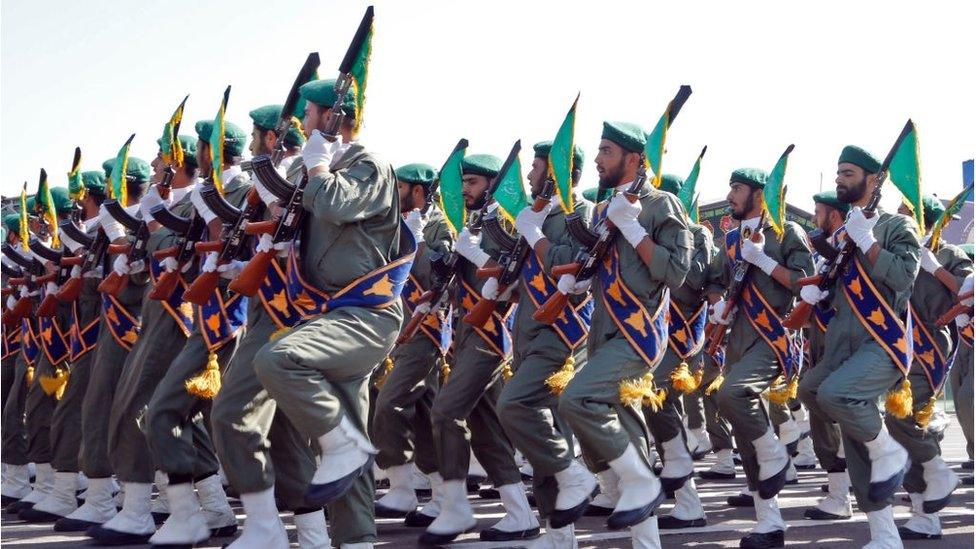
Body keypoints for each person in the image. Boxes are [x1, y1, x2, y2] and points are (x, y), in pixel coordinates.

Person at [252, 77, 411, 548]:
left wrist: (318, 167)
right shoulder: (316, 168)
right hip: (327, 313)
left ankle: (341, 443)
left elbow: (337, 204)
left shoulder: (369, 164)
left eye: (309, 114)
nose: (302, 123)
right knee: (348, 434)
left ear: (333, 117)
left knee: (278, 359)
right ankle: (358, 538)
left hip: (365, 313)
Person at [556, 121, 692, 547]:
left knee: (576, 399)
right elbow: (598, 264)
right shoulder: (606, 207)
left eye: (606, 151)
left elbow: (676, 271)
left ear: (633, 159)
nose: (596, 160)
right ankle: (646, 539)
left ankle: (641, 483)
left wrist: (634, 230)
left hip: (638, 335)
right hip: (603, 332)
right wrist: (578, 281)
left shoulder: (660, 205)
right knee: (628, 434)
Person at [211, 104, 331, 548]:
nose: (250, 144)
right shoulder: (271, 179)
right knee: (282, 431)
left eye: (257, 134)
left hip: (292, 312)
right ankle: (309, 534)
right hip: (269, 305)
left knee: (231, 413)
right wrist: (237, 263)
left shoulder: (313, 170)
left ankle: (267, 527)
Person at [798, 145, 921, 548]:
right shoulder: (846, 229)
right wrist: (819, 292)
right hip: (841, 344)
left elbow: (903, 277)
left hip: (880, 342)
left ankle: (892, 451)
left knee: (837, 396)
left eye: (847, 173)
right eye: (838, 173)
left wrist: (867, 241)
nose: (839, 180)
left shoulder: (896, 228)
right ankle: (885, 535)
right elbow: (842, 291)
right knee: (813, 393)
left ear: (873, 180)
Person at [420, 153, 538, 545]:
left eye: (472, 182)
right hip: (466, 331)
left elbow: (518, 281)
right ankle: (519, 513)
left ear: (490, 184)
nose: (465, 190)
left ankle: (455, 505)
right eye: (464, 182)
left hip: (491, 334)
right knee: (486, 429)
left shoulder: (504, 222)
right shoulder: (469, 222)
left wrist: (477, 254)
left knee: (446, 411)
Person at [707, 167, 814, 548]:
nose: (730, 194)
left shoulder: (787, 233)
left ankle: (777, 455)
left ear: (758, 194)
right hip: (738, 338)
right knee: (743, 429)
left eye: (737, 188)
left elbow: (807, 284)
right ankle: (769, 522)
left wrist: (765, 261)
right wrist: (718, 303)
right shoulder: (733, 237)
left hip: (775, 338)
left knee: (732, 394)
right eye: (731, 186)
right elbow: (715, 278)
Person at [500, 140, 594, 546]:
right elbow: (525, 279)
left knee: (514, 405)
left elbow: (567, 272)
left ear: (555, 173)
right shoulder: (534, 215)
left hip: (560, 337)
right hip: (527, 334)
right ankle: (560, 533)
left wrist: (534, 234)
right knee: (543, 432)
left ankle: (577, 475)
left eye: (536, 166)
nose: (529, 174)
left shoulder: (581, 215)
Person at [370, 163, 453, 526]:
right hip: (395, 332)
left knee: (390, 403)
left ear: (418, 192)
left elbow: (439, 275)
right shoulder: (393, 225)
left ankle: (403, 487)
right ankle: (442, 495)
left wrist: (417, 242)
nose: (394, 193)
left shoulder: (440, 225)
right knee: (422, 416)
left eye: (400, 187)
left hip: (427, 332)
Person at [889, 195, 970, 540]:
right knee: (904, 429)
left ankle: (932, 497)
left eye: (906, 213)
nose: (899, 218)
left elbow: (969, 293)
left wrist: (934, 266)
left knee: (902, 420)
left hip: (929, 349)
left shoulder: (951, 255)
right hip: (898, 348)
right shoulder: (897, 252)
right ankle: (924, 514)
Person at [801, 190, 854, 521]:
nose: (814, 218)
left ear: (832, 215)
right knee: (820, 414)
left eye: (818, 212)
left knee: (832, 409)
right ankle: (840, 489)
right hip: (820, 338)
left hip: (840, 340)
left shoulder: (847, 242)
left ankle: (845, 490)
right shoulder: (827, 250)